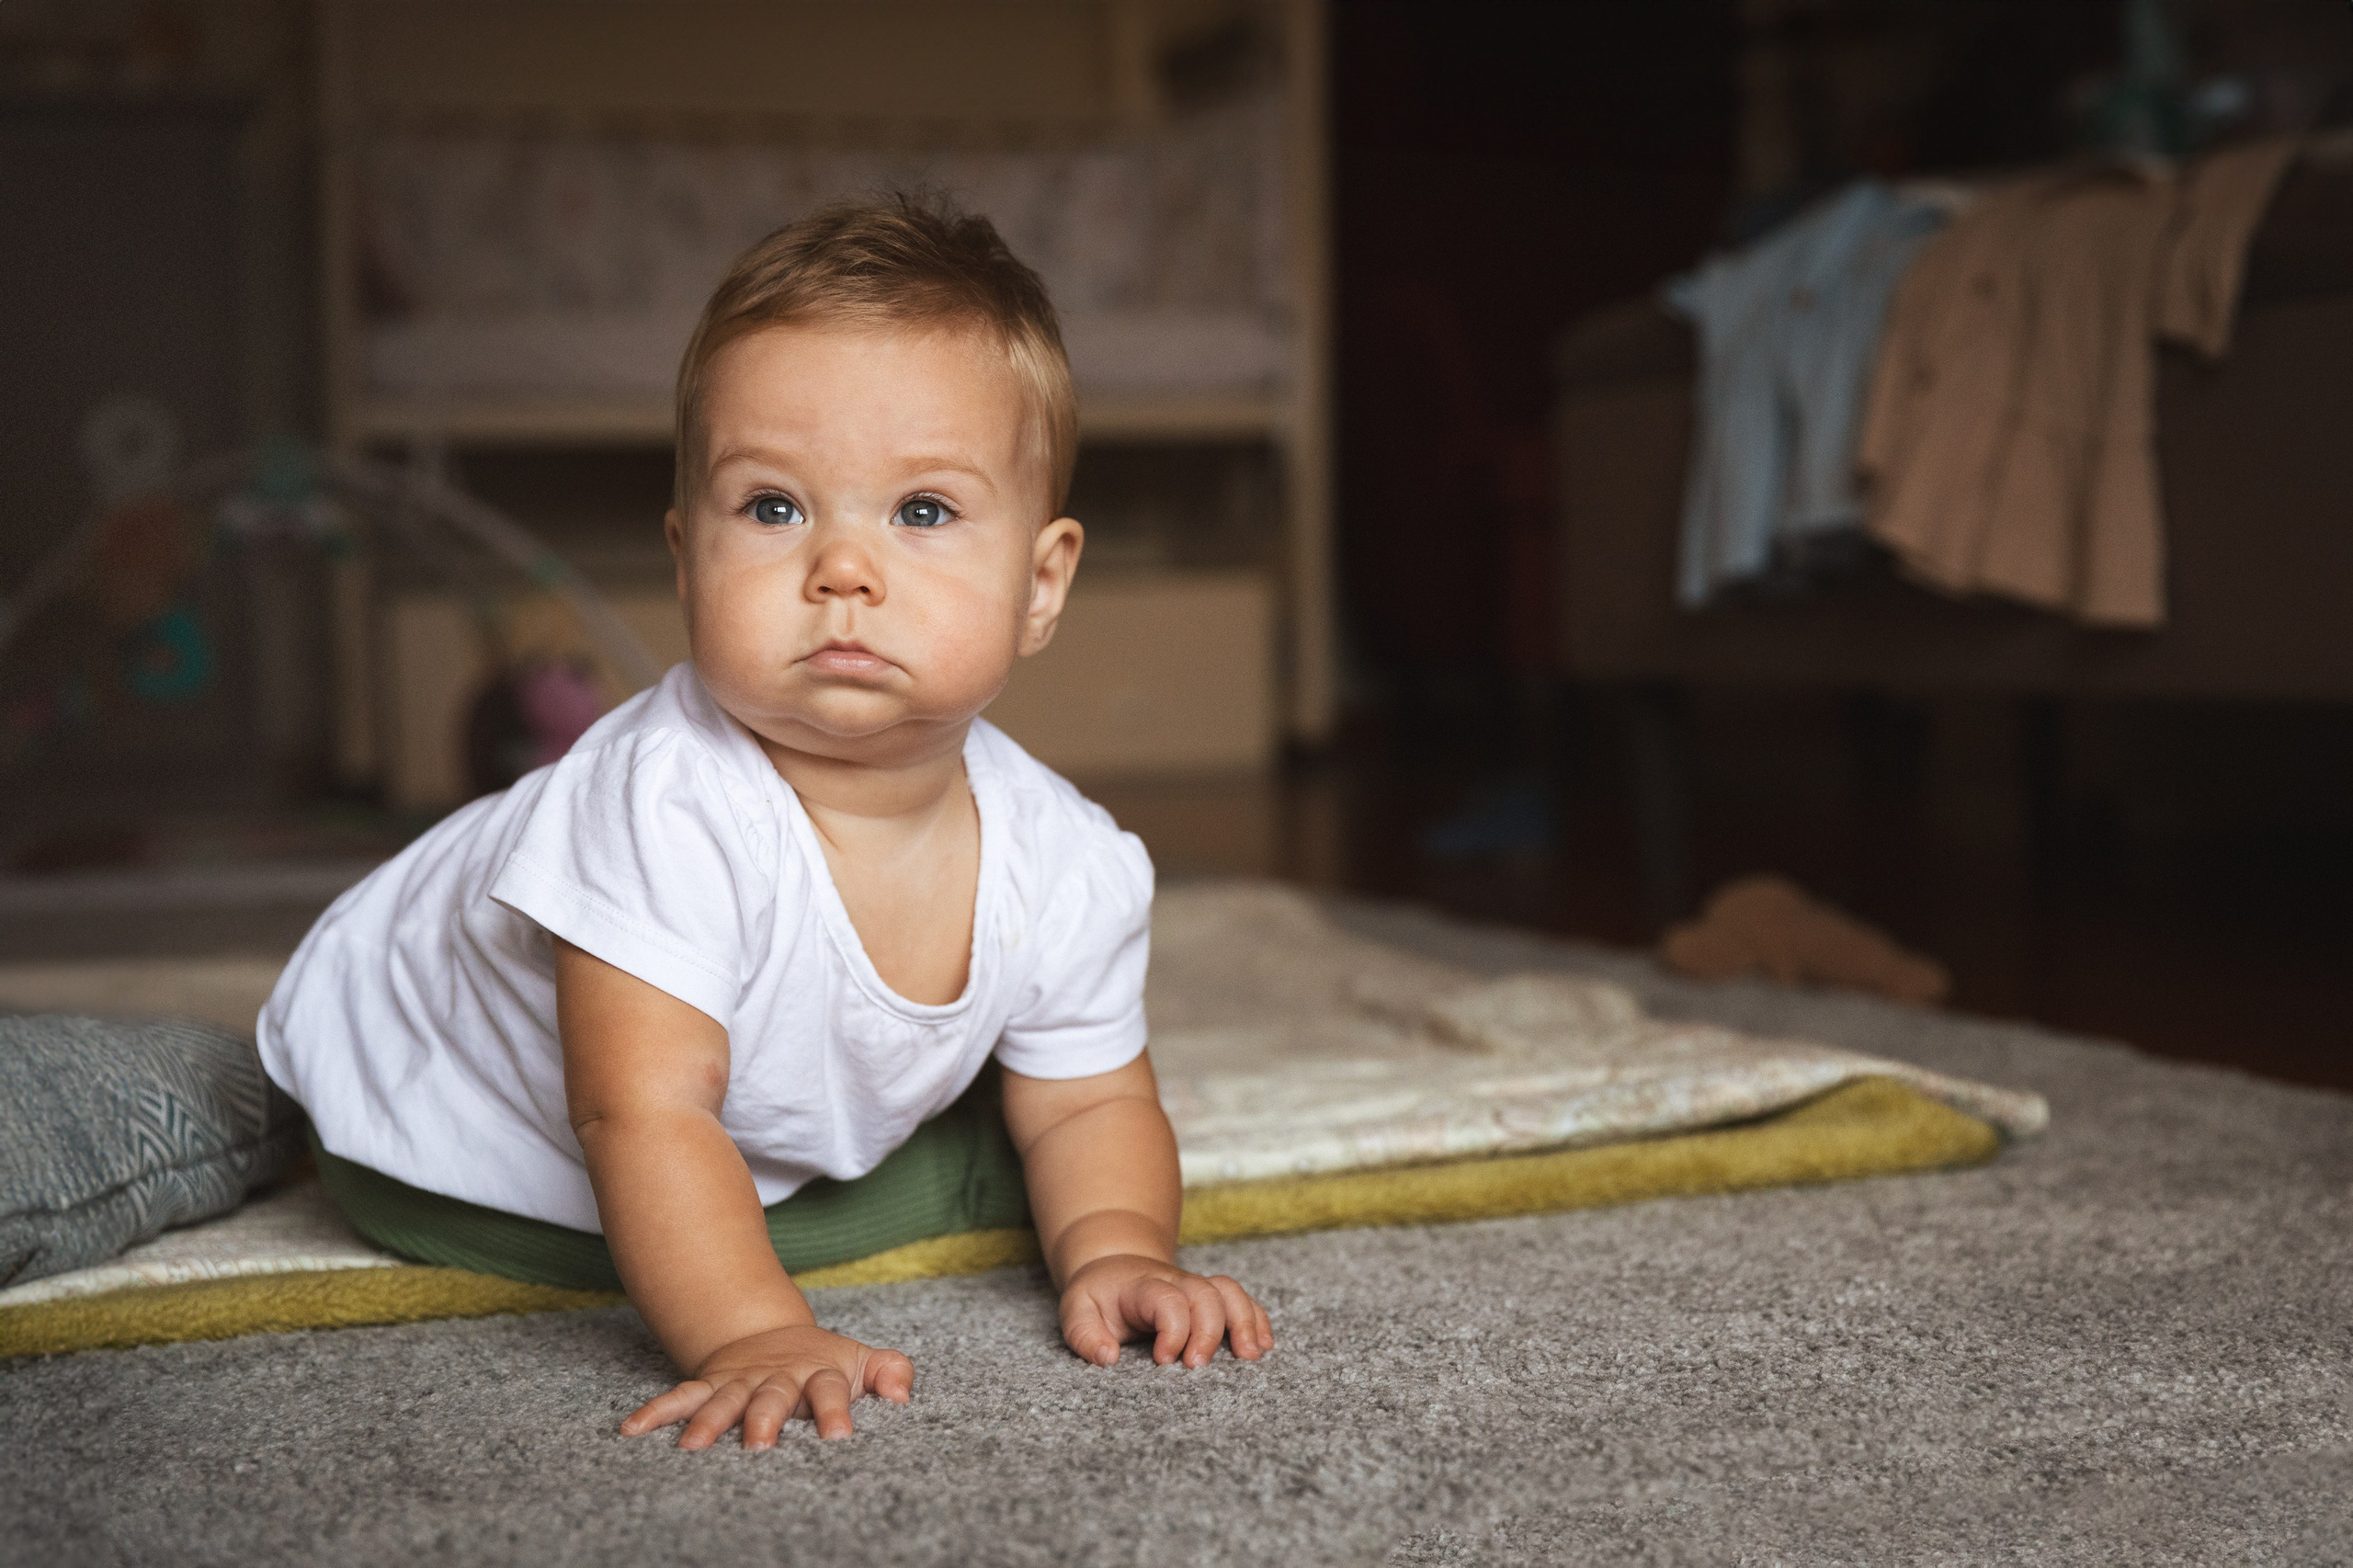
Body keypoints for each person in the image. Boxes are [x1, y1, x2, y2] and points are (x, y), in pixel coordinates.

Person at [259, 196, 1271, 1450]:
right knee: (887, 1182)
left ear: (1042, 581)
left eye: (923, 511)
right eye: (775, 507)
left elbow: (1088, 1105)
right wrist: (751, 1328)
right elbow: (641, 1112)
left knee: (1042, 1145)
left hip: (657, 1100)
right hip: (444, 1101)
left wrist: (1122, 1248)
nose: (842, 568)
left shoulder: (1068, 859)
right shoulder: (665, 804)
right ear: (687, 561)